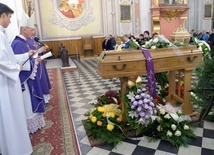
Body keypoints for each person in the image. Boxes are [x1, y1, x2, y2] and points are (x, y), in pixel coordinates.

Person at [0, 3, 33, 155]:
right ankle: (16, 149)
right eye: (9, 17)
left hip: (5, 79)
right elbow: (1, 60)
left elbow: (9, 57)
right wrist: (16, 68)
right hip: (5, 84)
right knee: (11, 116)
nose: (10, 21)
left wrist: (17, 62)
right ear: (2, 15)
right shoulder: (0, 35)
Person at [11, 12, 46, 134]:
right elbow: (21, 64)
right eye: (31, 29)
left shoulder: (23, 41)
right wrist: (36, 60)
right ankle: (28, 124)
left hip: (29, 76)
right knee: (27, 102)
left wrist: (34, 59)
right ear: (24, 29)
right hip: (24, 80)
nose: (32, 32)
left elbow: (27, 59)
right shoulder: (17, 43)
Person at [26, 28, 52, 104]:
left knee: (43, 80)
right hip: (34, 65)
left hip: (40, 63)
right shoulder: (26, 41)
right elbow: (29, 54)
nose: (34, 31)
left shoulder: (34, 39)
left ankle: (45, 98)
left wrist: (42, 50)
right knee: (40, 81)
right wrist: (38, 51)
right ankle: (41, 99)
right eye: (32, 30)